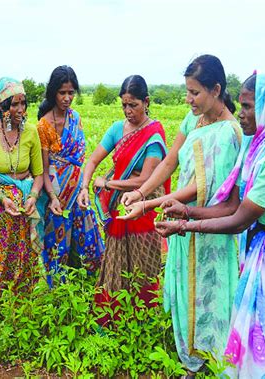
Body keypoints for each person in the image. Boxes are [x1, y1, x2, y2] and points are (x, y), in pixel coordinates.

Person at [155, 73, 265, 379]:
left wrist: (184, 225)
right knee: (253, 333)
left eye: (250, 106)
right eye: (241, 105)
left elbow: (238, 221)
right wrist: (186, 210)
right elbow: (230, 205)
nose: (242, 113)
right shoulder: (257, 145)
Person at [120, 55, 241, 375]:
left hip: (211, 225)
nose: (188, 99)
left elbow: (200, 188)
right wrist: (143, 191)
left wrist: (148, 205)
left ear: (216, 90)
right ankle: (191, 358)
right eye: (186, 91)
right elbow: (170, 162)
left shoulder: (229, 133)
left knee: (210, 291)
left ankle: (213, 358)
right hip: (183, 221)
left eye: (195, 93)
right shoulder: (193, 121)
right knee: (188, 285)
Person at [77, 74, 170, 325]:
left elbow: (146, 179)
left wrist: (107, 183)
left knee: (143, 264)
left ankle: (141, 319)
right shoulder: (118, 129)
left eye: (133, 105)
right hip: (120, 207)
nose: (128, 111)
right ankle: (113, 318)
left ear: (146, 101)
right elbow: (93, 160)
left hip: (143, 207)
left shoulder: (153, 135)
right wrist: (85, 186)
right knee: (115, 262)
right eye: (124, 105)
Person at [0, 77, 44, 303]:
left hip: (22, 209)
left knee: (21, 256)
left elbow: (39, 174)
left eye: (23, 104)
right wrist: (3, 198)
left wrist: (33, 196)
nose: (20, 110)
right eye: (14, 104)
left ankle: (20, 302)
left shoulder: (31, 132)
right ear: (2, 106)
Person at [37, 65, 104, 286]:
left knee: (86, 235)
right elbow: (44, 168)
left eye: (71, 93)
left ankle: (88, 283)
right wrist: (53, 197)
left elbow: (81, 159)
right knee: (57, 243)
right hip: (55, 192)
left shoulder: (75, 118)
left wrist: (83, 188)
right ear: (53, 93)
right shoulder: (44, 125)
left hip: (77, 190)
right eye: (62, 93)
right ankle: (58, 291)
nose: (67, 98)